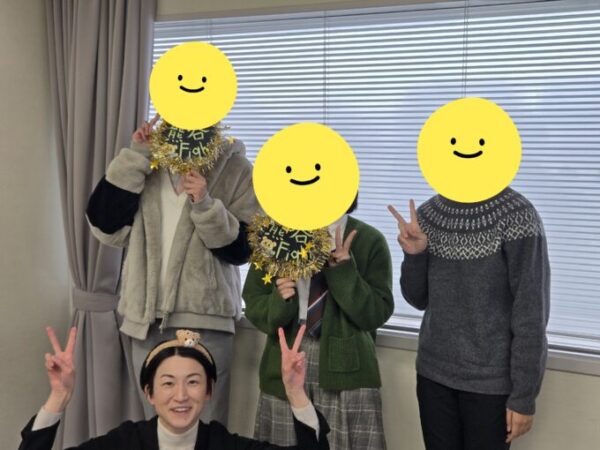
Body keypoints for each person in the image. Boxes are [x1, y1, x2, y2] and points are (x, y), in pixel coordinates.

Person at [86, 116, 258, 423]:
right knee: (153, 429)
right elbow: (104, 221)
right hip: (145, 321)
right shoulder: (148, 160)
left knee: (207, 430)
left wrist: (204, 203)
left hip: (207, 322)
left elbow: (242, 250)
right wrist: (137, 155)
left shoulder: (236, 169)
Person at [388, 190, 550, 450]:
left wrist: (523, 397)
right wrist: (415, 254)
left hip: (491, 384)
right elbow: (417, 298)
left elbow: (531, 313)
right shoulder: (428, 214)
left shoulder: (518, 214)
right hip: (433, 376)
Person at [19, 325, 330, 449]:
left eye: (193, 382)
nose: (181, 396)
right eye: (168, 383)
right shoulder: (125, 442)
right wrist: (59, 396)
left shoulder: (223, 444)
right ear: (149, 393)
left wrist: (295, 392)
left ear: (208, 391)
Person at [243, 199, 394, 450]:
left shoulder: (369, 240)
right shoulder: (276, 237)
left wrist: (344, 272)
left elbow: (376, 314)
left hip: (348, 367)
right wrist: (280, 301)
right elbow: (254, 303)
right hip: (286, 359)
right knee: (282, 442)